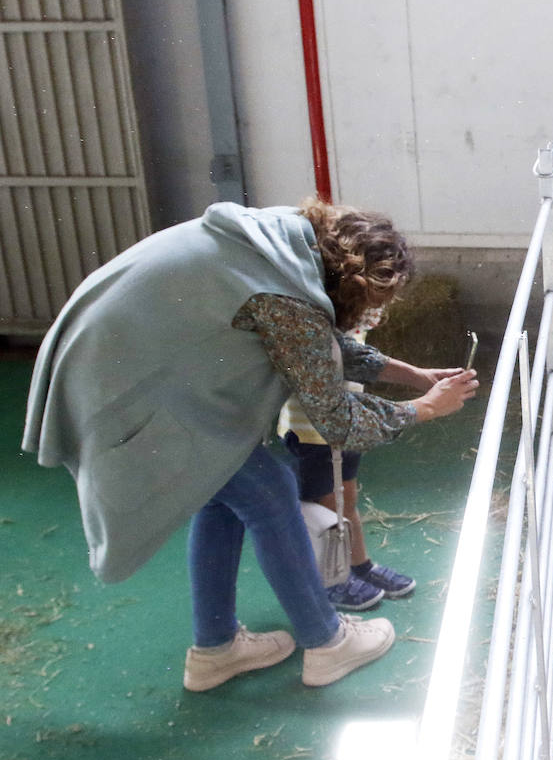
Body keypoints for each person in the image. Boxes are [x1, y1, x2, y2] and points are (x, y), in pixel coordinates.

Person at [22, 198, 480, 690]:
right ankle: (327, 643)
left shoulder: (282, 243)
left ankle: (216, 649)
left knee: (220, 486)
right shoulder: (282, 295)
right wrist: (426, 408)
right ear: (355, 284)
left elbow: (321, 343)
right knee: (270, 490)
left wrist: (409, 374)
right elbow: (337, 418)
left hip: (107, 358)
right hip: (120, 383)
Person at [278, 306, 448, 610]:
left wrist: (419, 376)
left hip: (351, 418)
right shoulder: (318, 308)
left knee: (347, 499)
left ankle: (359, 566)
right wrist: (425, 403)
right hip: (315, 427)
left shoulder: (360, 305)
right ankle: (331, 579)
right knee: (327, 509)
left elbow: (358, 352)